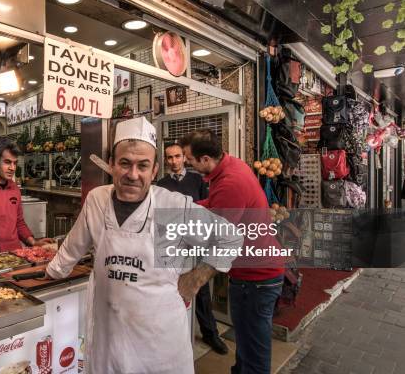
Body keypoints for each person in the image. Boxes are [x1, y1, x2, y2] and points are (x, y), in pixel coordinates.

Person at [46, 117, 244, 374]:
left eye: (143, 166)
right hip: (108, 341)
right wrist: (52, 271)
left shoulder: (172, 206)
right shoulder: (97, 200)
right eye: (125, 163)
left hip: (158, 348)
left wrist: (196, 279)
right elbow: (72, 248)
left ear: (154, 171)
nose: (133, 175)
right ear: (112, 165)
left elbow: (231, 237)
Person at [180, 129, 285, 374]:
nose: (186, 162)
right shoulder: (230, 165)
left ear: (205, 159)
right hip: (249, 275)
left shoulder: (230, 182)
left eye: (188, 158)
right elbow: (217, 205)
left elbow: (217, 237)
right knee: (246, 342)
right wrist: (186, 205)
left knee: (254, 348)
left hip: (258, 278)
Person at [156, 142, 227, 355]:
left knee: (201, 291)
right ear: (165, 160)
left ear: (184, 158)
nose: (174, 161)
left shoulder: (198, 180)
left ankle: (210, 334)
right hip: (171, 244)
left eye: (177, 156)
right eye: (169, 157)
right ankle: (171, 338)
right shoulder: (161, 184)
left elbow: (207, 207)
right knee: (170, 289)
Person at [0, 139, 52, 259]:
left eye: (15, 163)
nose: (12, 168)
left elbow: (19, 222)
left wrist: (33, 242)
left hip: (16, 255)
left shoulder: (14, 189)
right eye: (7, 162)